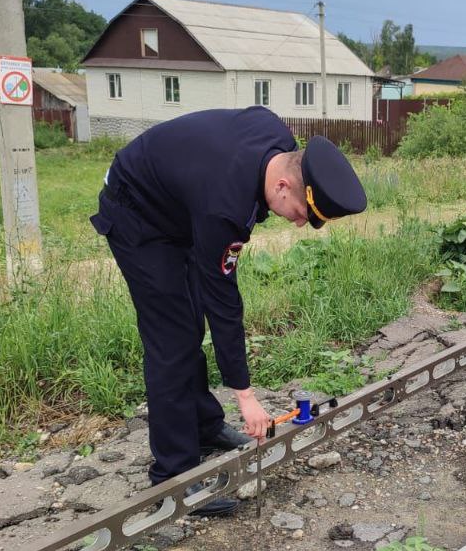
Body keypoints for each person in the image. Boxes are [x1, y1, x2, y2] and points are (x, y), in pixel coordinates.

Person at [90, 107, 367, 515]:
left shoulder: (276, 141)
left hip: (181, 206)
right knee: (171, 339)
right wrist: (246, 395)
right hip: (138, 213)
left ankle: (202, 426)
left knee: (188, 320)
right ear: (285, 184)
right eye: (301, 214)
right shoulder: (226, 205)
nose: (295, 224)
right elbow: (223, 300)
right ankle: (173, 477)